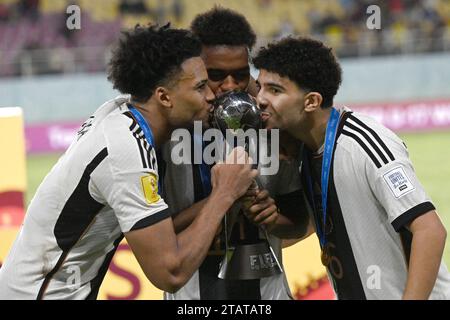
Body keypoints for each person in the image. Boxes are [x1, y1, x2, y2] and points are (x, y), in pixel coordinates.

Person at [0, 24, 258, 300]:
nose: (211, 95)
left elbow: (163, 231)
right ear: (164, 96)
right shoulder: (125, 151)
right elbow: (170, 274)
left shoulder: (125, 116)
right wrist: (223, 194)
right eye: (200, 86)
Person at [253, 36, 450, 299]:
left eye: (275, 90)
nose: (261, 99)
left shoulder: (363, 143)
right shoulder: (305, 152)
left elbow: (430, 230)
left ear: (311, 101)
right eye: (260, 87)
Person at [162, 7, 309, 300]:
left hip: (268, 297)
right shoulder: (167, 133)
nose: (229, 86)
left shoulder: (272, 130)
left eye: (240, 75)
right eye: (215, 76)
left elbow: (298, 224)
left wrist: (273, 218)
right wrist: (223, 198)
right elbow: (155, 236)